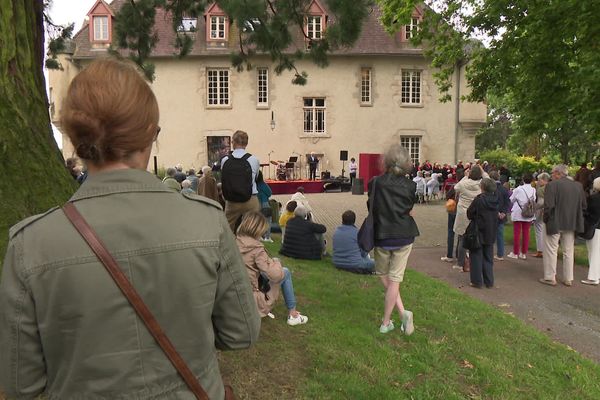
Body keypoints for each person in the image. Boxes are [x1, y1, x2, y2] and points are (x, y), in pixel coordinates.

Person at [0, 58, 260, 399]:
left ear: (77, 140)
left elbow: (19, 382)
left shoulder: (30, 245)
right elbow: (241, 331)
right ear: (151, 134)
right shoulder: (206, 221)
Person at [367, 143, 419, 335]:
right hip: (404, 235)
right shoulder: (411, 186)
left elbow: (370, 207)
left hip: (382, 236)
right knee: (394, 279)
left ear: (386, 161)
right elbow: (409, 210)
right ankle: (402, 313)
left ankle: (386, 322)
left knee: (384, 275)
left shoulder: (375, 183)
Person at [236, 212, 308, 325]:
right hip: (250, 298)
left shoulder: (234, 242)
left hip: (234, 293)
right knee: (285, 272)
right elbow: (276, 275)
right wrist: (276, 262)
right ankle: (293, 314)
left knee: (270, 268)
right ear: (257, 229)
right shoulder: (256, 249)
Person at [540, 164, 587, 286]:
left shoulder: (551, 185)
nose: (551, 175)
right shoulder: (578, 186)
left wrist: (545, 219)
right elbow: (583, 205)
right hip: (571, 222)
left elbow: (549, 206)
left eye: (552, 173)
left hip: (554, 221)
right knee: (568, 251)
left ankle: (550, 277)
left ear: (558, 173)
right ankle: (568, 278)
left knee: (551, 249)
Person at [220, 130, 261, 231]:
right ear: (246, 143)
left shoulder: (225, 160)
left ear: (233, 142)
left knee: (227, 229)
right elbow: (255, 179)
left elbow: (224, 178)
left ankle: (229, 246)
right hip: (250, 198)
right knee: (252, 229)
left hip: (232, 199)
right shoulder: (254, 160)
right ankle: (250, 245)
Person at [466, 178, 499, 288]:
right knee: (488, 257)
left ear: (483, 187)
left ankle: (476, 281)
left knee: (476, 255)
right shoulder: (496, 199)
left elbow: (470, 213)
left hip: (479, 230)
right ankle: (489, 281)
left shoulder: (479, 199)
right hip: (491, 229)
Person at [453, 166, 483, 271]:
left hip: (463, 212)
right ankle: (473, 262)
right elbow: (488, 180)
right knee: (474, 237)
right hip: (475, 212)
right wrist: (482, 172)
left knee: (462, 238)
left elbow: (455, 188)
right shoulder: (481, 184)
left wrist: (465, 177)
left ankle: (460, 263)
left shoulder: (463, 183)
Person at [507, 173, 536, 260]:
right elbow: (533, 200)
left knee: (517, 233)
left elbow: (511, 199)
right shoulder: (533, 190)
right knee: (526, 233)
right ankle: (523, 253)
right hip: (528, 212)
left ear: (523, 179)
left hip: (518, 212)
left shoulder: (518, 189)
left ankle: (515, 252)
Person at [582, 178, 600, 285]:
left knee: (593, 252)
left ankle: (593, 277)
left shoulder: (594, 199)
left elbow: (588, 212)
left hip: (595, 227)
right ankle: (596, 274)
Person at [489, 171, 510, 261]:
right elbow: (507, 202)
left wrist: (497, 212)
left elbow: (491, 201)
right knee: (500, 235)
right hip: (502, 214)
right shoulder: (504, 189)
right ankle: (500, 254)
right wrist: (504, 212)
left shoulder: (491, 189)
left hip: (492, 215)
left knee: (489, 235)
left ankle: (488, 253)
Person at [532, 172, 550, 258]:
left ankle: (540, 249)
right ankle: (542, 249)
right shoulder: (548, 187)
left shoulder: (543, 188)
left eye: (539, 180)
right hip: (542, 208)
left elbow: (541, 201)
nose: (538, 181)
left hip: (540, 208)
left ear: (543, 180)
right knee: (541, 228)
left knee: (539, 228)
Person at [256, 171, 273, 242]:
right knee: (267, 220)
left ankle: (259, 236)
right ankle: (267, 237)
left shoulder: (253, 185)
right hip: (264, 202)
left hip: (256, 203)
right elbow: (269, 193)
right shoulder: (263, 184)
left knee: (258, 220)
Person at [441, 187, 457, 263]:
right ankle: (460, 254)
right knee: (462, 234)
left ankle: (449, 255)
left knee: (451, 232)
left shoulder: (456, 186)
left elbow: (447, 195)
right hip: (465, 211)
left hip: (453, 210)